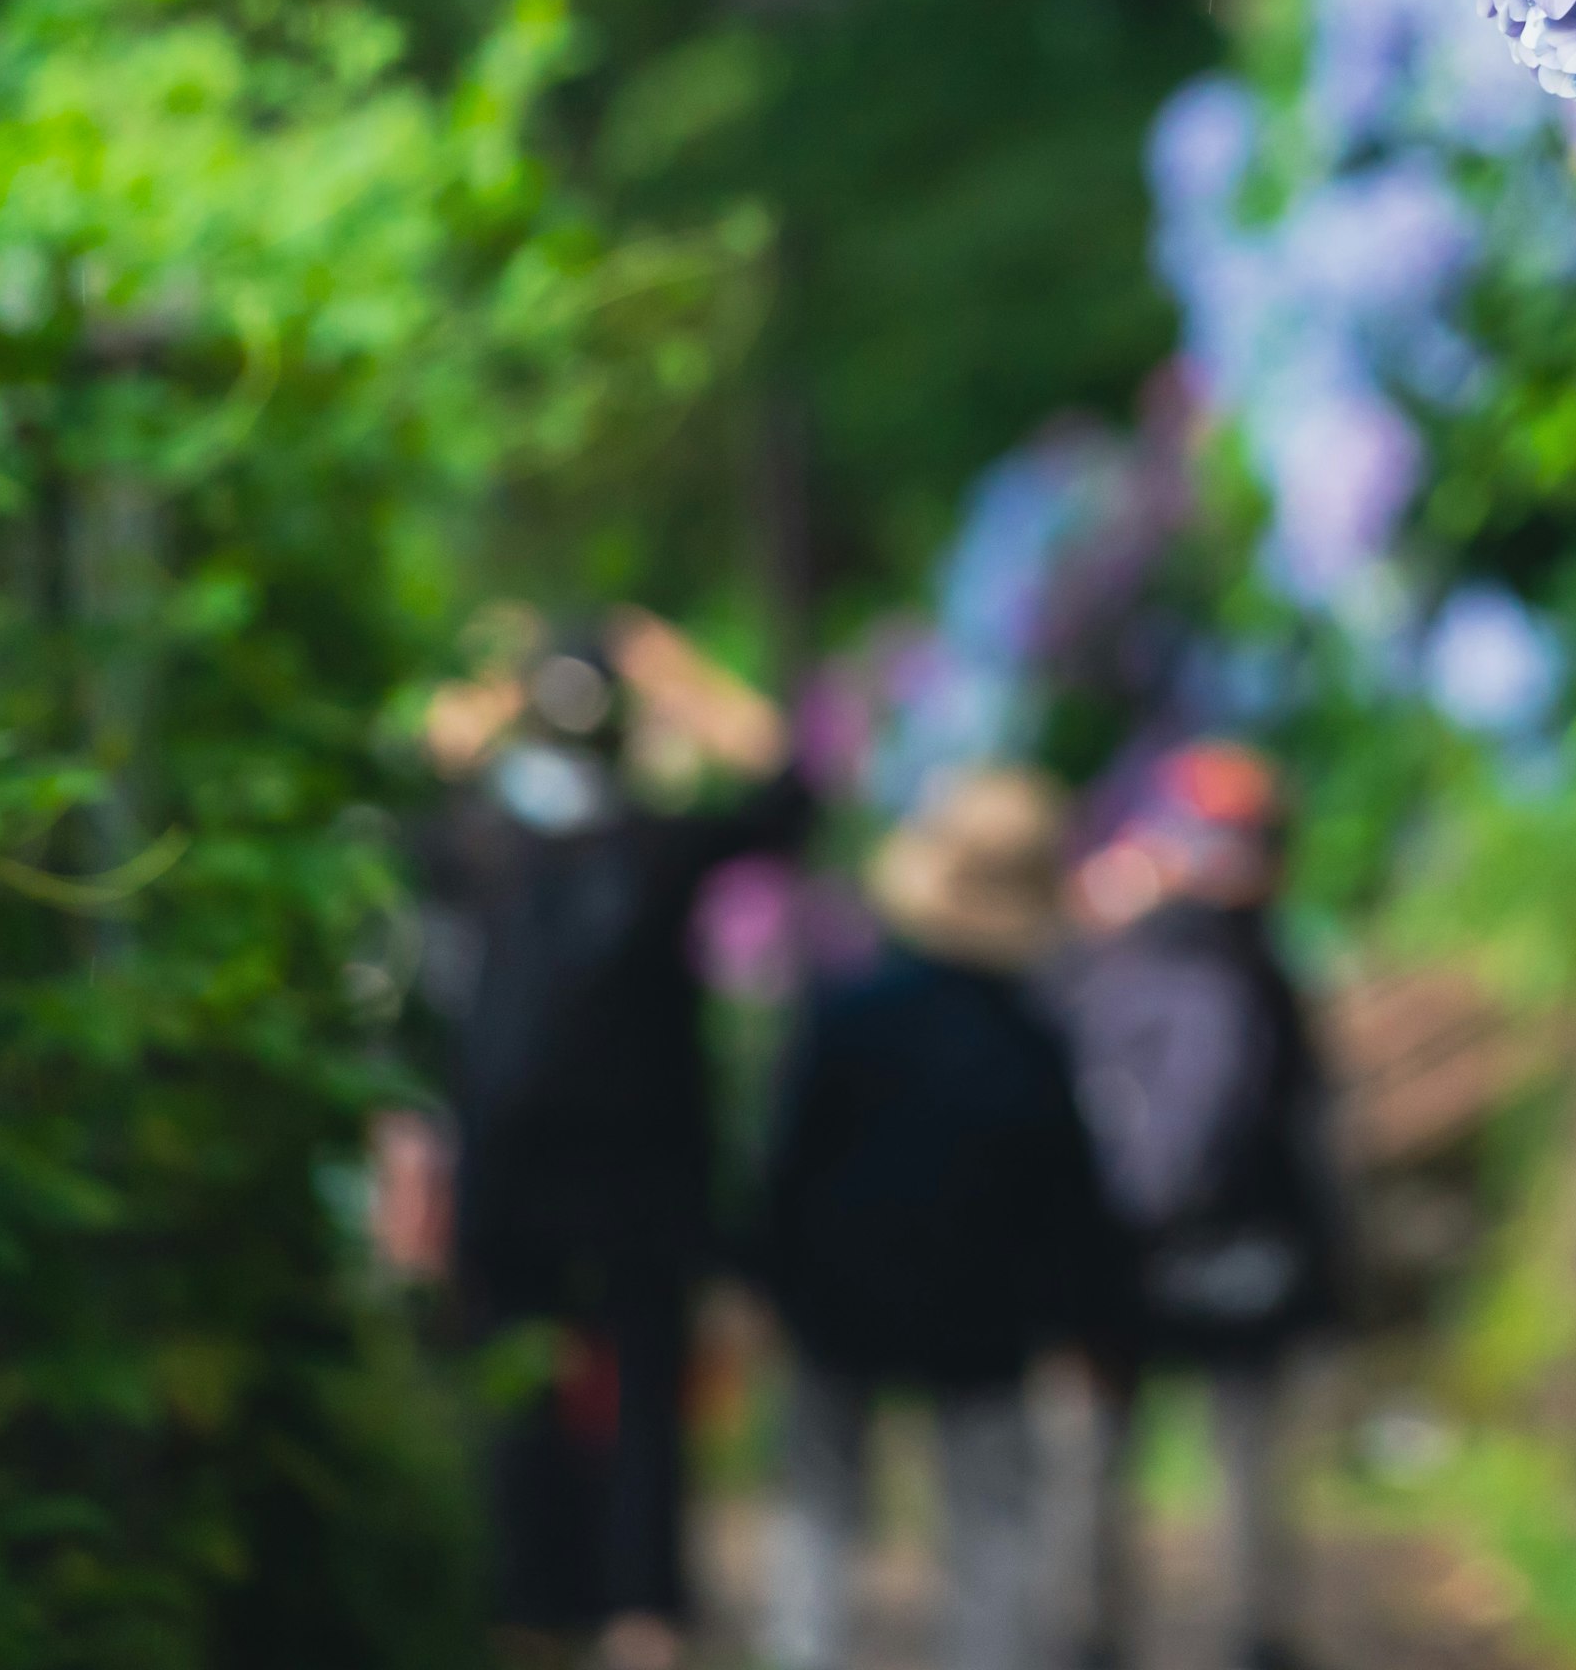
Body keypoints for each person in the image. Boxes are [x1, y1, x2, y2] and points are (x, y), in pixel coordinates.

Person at [417, 615, 812, 1670]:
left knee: (521, 1392)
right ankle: (641, 1613)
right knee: (646, 1391)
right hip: (646, 1164)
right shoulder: (661, 843)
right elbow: (790, 784)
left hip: (513, 1162)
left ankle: (531, 1607)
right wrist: (672, 668)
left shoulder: (477, 844)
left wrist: (506, 678)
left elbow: (413, 768)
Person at [744, 766, 1128, 1670]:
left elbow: (786, 1167)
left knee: (819, 1517)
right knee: (992, 1529)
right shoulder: (1032, 1045)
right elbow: (1072, 1210)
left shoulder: (851, 1014)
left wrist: (767, 1282)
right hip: (982, 1326)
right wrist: (1092, 1321)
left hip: (838, 1309)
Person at [1057, 742, 1345, 1670]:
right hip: (1246, 1254)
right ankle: (1256, 1641)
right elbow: (1311, 1127)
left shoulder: (1113, 953)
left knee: (1103, 1462)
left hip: (1124, 1249)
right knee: (1244, 1463)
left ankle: (1094, 1639)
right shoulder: (1269, 970)